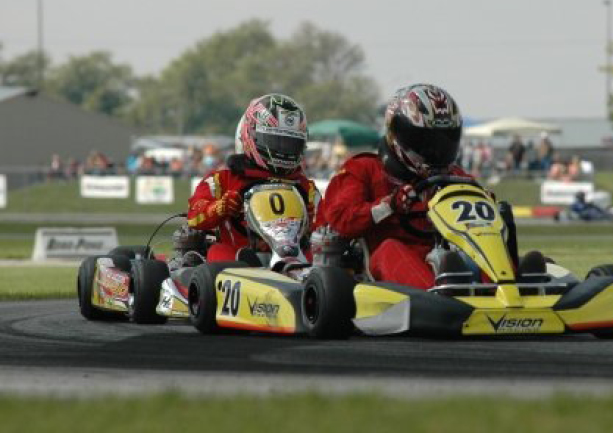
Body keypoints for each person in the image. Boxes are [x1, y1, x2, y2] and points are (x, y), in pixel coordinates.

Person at [313, 84, 476, 289]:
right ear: (396, 134)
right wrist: (389, 205)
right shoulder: (364, 169)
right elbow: (340, 219)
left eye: (443, 141)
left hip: (444, 260)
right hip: (380, 272)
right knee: (391, 248)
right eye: (424, 141)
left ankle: (512, 289)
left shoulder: (455, 176)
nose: (435, 151)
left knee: (481, 241)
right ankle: (436, 299)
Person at [187, 94, 319, 263]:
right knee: (218, 253)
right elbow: (194, 216)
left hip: (293, 259)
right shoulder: (222, 181)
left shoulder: (306, 189)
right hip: (239, 258)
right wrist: (221, 208)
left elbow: (326, 233)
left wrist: (309, 224)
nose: (283, 151)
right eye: (276, 142)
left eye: (290, 144)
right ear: (250, 136)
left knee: (319, 262)